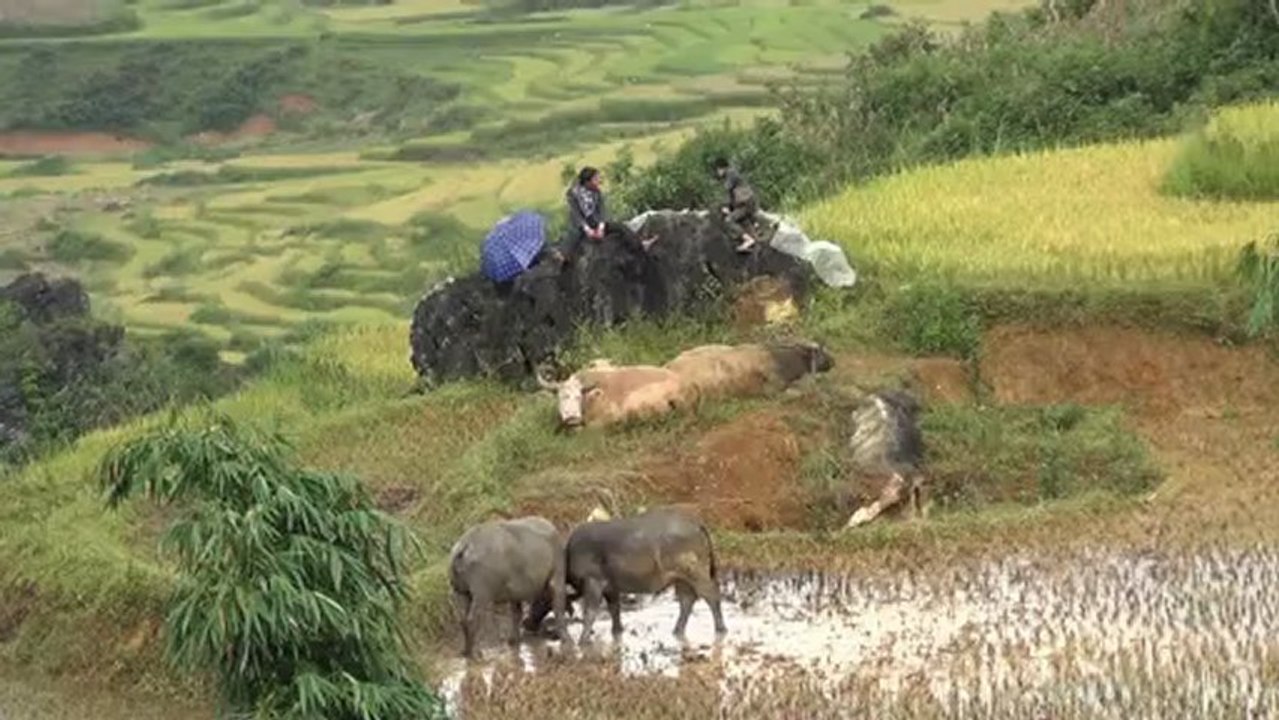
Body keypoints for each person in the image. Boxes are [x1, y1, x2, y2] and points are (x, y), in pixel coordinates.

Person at [713, 156, 760, 253]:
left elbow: (728, 192)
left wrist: (726, 206)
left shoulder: (730, 174)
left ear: (721, 168)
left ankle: (748, 240)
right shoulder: (733, 174)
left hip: (745, 203)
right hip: (747, 202)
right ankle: (751, 234)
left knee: (729, 220)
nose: (718, 173)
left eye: (718, 170)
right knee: (741, 219)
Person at [565, 166, 607, 262]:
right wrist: (587, 230)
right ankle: (563, 258)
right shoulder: (573, 194)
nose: (598, 181)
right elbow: (575, 213)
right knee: (574, 236)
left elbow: (602, 209)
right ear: (587, 182)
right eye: (595, 179)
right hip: (581, 223)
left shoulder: (597, 192)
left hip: (595, 220)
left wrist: (601, 227)